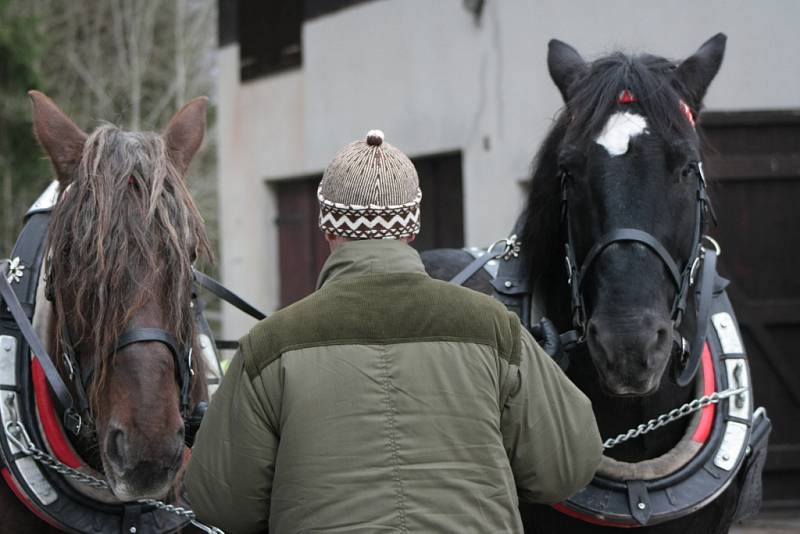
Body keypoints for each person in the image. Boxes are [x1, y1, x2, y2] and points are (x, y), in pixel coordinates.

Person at [185, 130, 602, 533]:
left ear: (328, 228)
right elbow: (564, 468)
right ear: (411, 228)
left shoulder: (269, 347)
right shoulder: (494, 328)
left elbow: (222, 507)